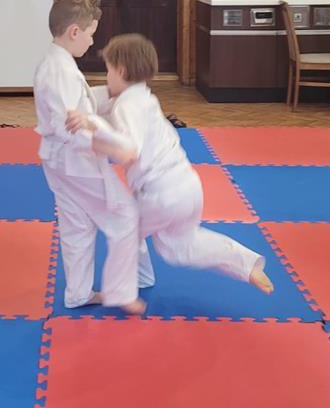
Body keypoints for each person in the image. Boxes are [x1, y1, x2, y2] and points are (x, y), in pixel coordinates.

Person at [69, 34, 273, 315]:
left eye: (108, 71)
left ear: (122, 71)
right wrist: (83, 103)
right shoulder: (145, 98)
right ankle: (246, 265)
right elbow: (105, 100)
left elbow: (129, 149)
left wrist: (91, 126)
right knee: (182, 246)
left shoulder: (127, 105)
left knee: (123, 229)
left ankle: (122, 294)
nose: (107, 78)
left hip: (160, 193)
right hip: (188, 186)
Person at [34, 0, 153, 314]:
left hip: (58, 162)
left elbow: (78, 107)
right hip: (77, 163)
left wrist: (109, 97)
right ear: (74, 31)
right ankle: (125, 288)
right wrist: (112, 143)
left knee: (78, 225)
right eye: (90, 35)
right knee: (125, 216)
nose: (91, 41)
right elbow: (71, 126)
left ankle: (78, 293)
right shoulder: (61, 71)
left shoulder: (55, 63)